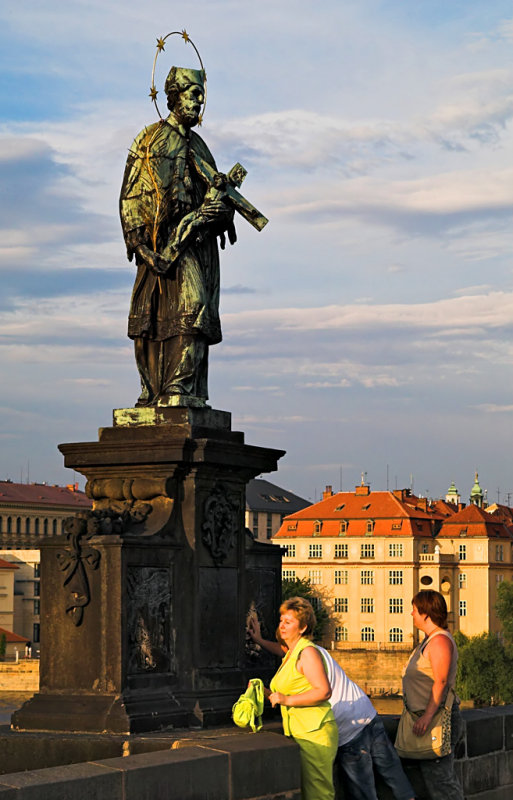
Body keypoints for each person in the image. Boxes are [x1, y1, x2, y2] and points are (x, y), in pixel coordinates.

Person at [120, 66, 236, 407]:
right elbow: (130, 194)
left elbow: (217, 195)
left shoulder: (199, 145)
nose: (200, 102)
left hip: (198, 242)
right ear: (174, 95)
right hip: (163, 241)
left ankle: (184, 391)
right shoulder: (149, 138)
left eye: (202, 95)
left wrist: (222, 213)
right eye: (193, 93)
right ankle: (162, 390)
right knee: (156, 317)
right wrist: (141, 244)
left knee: (195, 310)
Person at [249, 615, 414, 800]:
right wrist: (260, 640)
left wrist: (281, 697)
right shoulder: (312, 650)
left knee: (363, 791)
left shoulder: (304, 656)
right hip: (368, 715)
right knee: (395, 776)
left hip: (348, 729)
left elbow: (316, 689)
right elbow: (283, 651)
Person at [268, 597, 338, 800]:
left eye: (288, 622)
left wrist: (286, 700)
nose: (282, 625)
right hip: (301, 730)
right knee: (309, 791)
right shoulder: (291, 653)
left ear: (303, 627)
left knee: (318, 791)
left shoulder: (307, 652)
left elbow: (323, 691)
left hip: (315, 732)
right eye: (281, 620)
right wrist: (263, 691)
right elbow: (289, 689)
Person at [401, 590, 464, 800]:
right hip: (424, 718)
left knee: (441, 782)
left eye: (415, 610)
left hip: (436, 720)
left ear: (426, 614)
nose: (411, 614)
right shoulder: (429, 640)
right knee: (429, 781)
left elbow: (441, 681)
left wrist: (427, 716)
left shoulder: (439, 641)